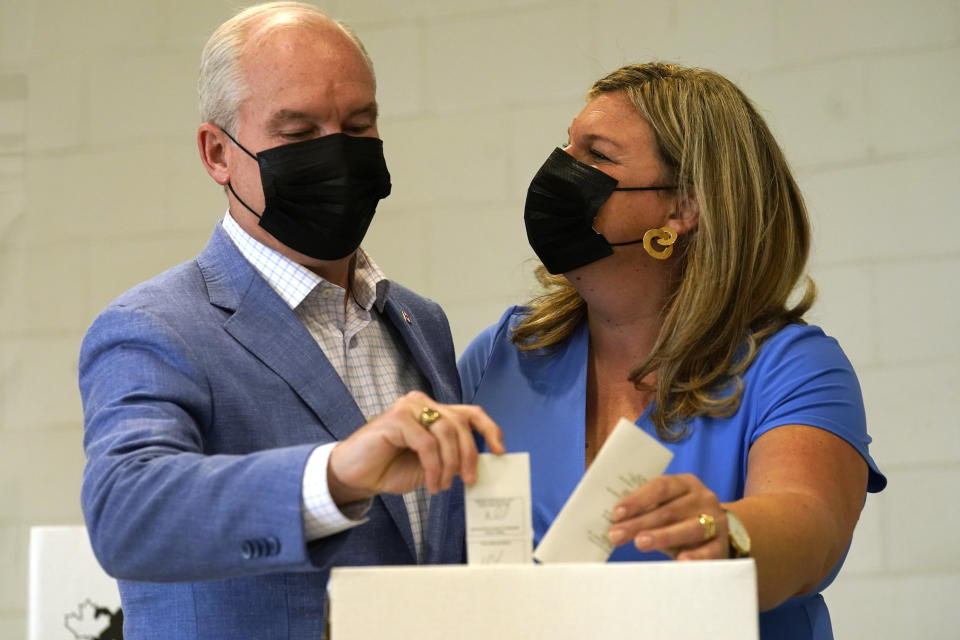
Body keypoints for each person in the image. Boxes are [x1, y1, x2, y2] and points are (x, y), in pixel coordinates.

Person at [78, 3, 502, 638]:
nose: (335, 153)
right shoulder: (156, 325)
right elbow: (127, 513)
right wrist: (332, 476)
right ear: (217, 153)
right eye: (298, 134)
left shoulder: (419, 320)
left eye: (358, 127)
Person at [459, 62, 885, 640]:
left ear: (683, 208)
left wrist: (724, 531)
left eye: (597, 156)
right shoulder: (505, 355)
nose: (559, 171)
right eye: (566, 146)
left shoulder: (790, 367)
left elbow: (810, 527)